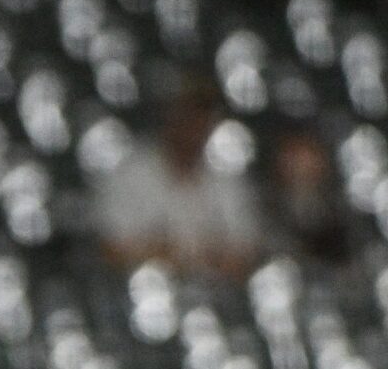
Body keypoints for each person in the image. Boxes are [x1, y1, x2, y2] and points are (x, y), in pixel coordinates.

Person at [92, 81, 262, 280]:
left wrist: (173, 255)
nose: (193, 128)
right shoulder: (128, 174)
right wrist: (190, 256)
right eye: (187, 116)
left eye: (202, 118)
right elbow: (110, 251)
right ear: (169, 117)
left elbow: (245, 254)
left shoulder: (228, 179)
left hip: (215, 295)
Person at [266, 126, 352, 270]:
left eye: (305, 158)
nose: (299, 167)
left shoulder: (341, 204)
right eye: (291, 158)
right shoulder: (267, 203)